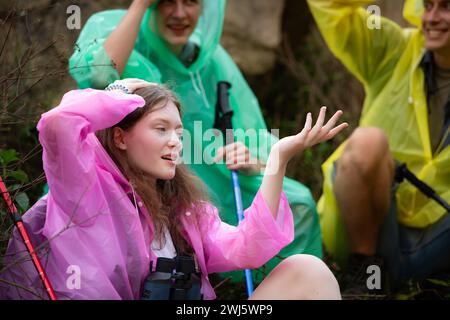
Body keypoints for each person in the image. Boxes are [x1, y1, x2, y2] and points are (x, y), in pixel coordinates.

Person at [0, 79, 345, 300]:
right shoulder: (85, 189)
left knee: (307, 270)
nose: (175, 142)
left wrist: (277, 159)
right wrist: (117, 95)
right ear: (120, 136)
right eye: (161, 129)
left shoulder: (183, 209)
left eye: (179, 132)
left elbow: (247, 248)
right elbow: (60, 123)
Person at [68, 0, 324, 283]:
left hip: (207, 171)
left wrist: (254, 159)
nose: (179, 13)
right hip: (126, 173)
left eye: (190, 1)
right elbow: (99, 75)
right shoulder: (115, 27)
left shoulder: (209, 58)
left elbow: (244, 125)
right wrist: (139, 6)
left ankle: (276, 284)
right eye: (167, 2)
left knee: (298, 202)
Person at [307, 0, 450, 296]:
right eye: (428, 5)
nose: (432, 18)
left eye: (446, 7)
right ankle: (365, 278)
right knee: (367, 141)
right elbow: (328, 6)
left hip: (439, 234)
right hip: (377, 228)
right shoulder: (393, 50)